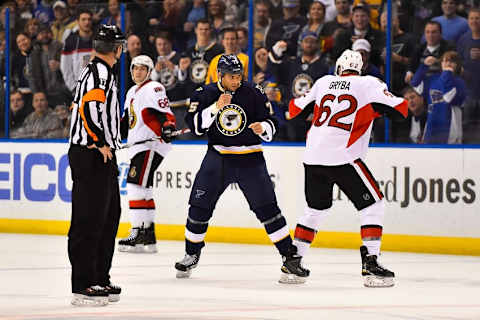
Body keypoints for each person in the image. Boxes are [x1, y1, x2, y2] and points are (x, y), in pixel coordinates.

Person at [175, 54, 309, 283]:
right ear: (220, 75)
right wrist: (215, 108)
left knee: (268, 209)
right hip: (218, 158)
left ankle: (290, 258)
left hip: (251, 158)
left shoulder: (254, 92)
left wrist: (264, 127)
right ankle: (191, 253)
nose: (236, 81)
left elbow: (273, 122)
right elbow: (195, 127)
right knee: (198, 207)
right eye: (231, 77)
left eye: (239, 76)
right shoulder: (204, 93)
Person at [287, 49, 408, 287]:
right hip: (343, 155)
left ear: (339, 69)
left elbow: (293, 110)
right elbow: (401, 110)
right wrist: (377, 109)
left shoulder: (323, 82)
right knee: (373, 204)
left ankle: (292, 261)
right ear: (359, 69)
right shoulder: (368, 83)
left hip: (313, 156)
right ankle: (371, 263)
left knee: (314, 209)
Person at [67, 24, 126, 306]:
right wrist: (100, 141)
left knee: (109, 214)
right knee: (89, 219)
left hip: (100, 153)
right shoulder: (99, 72)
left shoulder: (100, 71)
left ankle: (99, 276)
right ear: (117, 48)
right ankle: (83, 284)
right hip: (91, 153)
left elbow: (95, 109)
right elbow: (89, 107)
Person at [117, 55, 176, 253]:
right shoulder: (132, 91)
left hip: (150, 145)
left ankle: (137, 233)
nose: (138, 72)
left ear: (149, 72)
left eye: (143, 69)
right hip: (138, 146)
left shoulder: (154, 88)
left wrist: (167, 127)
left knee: (134, 186)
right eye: (135, 69)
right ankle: (148, 237)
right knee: (144, 189)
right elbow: (127, 121)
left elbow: (164, 113)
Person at [410, 51, 466, 144]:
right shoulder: (433, 78)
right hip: (432, 123)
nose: (448, 64)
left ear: (457, 65)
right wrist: (424, 66)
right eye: (445, 61)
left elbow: (448, 97)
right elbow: (415, 84)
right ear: (441, 63)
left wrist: (447, 73)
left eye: (452, 61)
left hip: (450, 125)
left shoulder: (459, 82)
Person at [60, 9, 94, 93]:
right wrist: (73, 88)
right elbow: (65, 67)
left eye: (89, 19)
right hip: (78, 89)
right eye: (83, 19)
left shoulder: (99, 40)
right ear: (77, 22)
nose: (87, 22)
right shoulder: (70, 41)